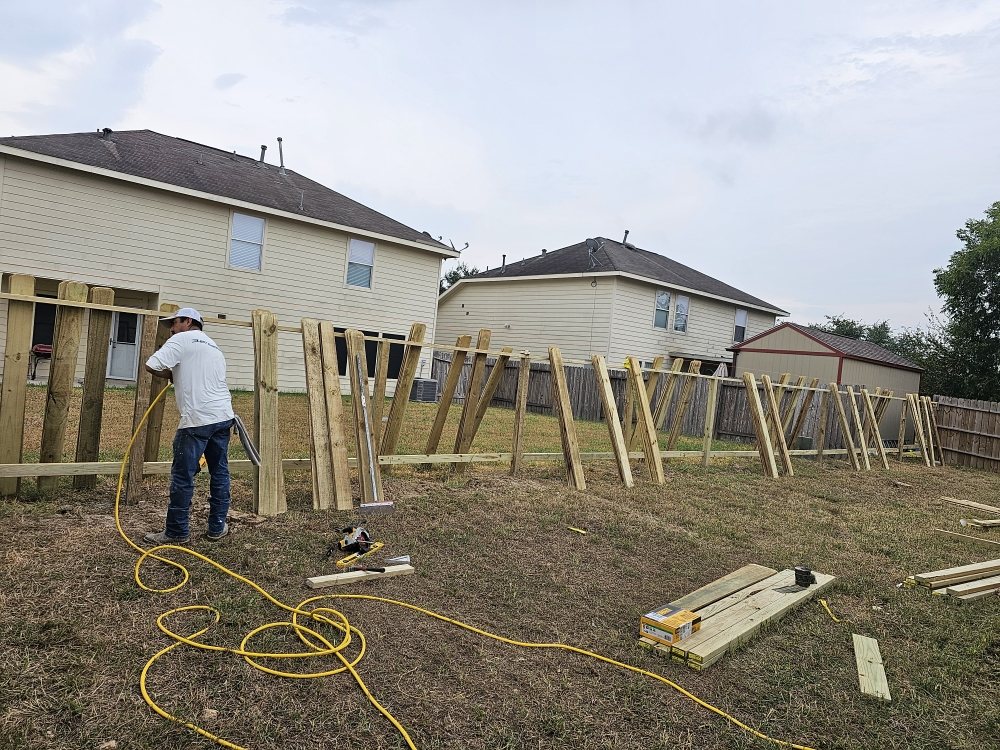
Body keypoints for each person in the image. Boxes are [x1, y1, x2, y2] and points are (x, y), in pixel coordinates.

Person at [142, 307, 235, 544]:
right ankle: (217, 527)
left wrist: (172, 375)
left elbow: (151, 365)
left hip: (196, 420)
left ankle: (176, 532)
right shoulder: (214, 346)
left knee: (183, 475)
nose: (171, 330)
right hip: (223, 416)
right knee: (220, 472)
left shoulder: (181, 339)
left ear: (187, 321)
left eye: (174, 323)